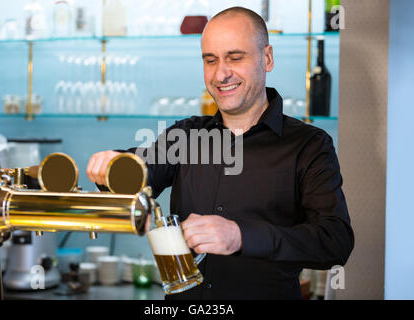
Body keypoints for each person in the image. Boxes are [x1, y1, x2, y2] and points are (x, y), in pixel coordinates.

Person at [86, 6, 354, 299]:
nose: (221, 74)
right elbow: (142, 169)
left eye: (235, 58)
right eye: (210, 60)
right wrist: (113, 165)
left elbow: (335, 241)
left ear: (267, 58)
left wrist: (241, 236)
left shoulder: (309, 145)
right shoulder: (187, 135)